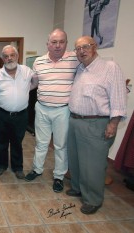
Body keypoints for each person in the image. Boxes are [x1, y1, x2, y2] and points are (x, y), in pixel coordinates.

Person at [67, 36, 126, 214]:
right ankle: (77, 187)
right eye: (78, 48)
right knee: (76, 159)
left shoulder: (109, 68)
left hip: (96, 122)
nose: (81, 51)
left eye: (85, 47)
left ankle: (93, 199)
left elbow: (119, 97)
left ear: (95, 47)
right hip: (75, 120)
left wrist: (113, 123)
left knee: (92, 164)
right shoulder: (79, 69)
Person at [24, 29, 79, 193]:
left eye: (61, 42)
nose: (57, 45)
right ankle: (37, 169)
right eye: (54, 42)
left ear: (66, 44)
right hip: (41, 108)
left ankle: (59, 177)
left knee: (60, 145)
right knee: (41, 143)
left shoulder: (75, 60)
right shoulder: (39, 62)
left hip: (63, 110)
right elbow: (34, 83)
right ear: (47, 44)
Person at [0, 45, 38, 179]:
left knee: (17, 142)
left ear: (17, 56)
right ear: (2, 59)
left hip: (20, 115)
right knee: (1, 142)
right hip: (1, 114)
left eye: (12, 55)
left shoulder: (26, 71)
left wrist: (25, 91)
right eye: (6, 56)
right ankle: (1, 165)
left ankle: (17, 167)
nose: (9, 58)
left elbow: (35, 82)